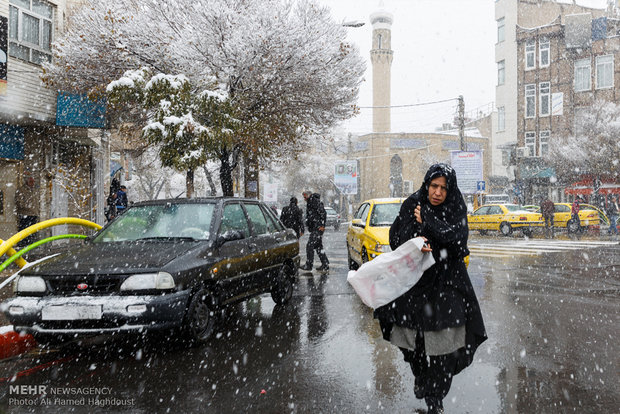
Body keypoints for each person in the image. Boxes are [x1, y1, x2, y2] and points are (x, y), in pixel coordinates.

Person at [374, 163, 487, 414]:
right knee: (410, 338)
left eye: (443, 188)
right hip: (415, 283)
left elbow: (458, 243)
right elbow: (396, 239)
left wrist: (428, 221)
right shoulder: (411, 203)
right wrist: (417, 239)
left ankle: (435, 398)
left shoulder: (455, 206)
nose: (437, 192)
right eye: (434, 186)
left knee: (444, 346)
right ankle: (420, 373)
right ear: (427, 185)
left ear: (450, 190)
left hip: (448, 283)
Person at [300, 191, 329, 272]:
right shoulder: (311, 202)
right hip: (315, 227)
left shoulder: (314, 201)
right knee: (318, 246)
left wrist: (322, 225)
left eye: (305, 197)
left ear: (309, 196)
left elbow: (323, 213)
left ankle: (309, 265)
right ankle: (325, 263)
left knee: (310, 245)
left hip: (318, 228)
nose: (304, 199)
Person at [14, 175, 39, 247]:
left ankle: (31, 246)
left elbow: (37, 202)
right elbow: (19, 203)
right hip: (25, 215)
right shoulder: (21, 190)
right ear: (26, 182)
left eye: (33, 182)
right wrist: (29, 206)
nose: (32, 183)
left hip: (34, 214)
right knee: (24, 232)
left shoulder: (35, 190)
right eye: (31, 182)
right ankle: (23, 246)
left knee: (32, 232)